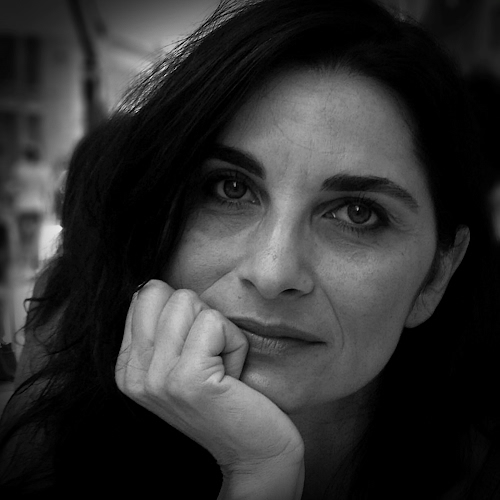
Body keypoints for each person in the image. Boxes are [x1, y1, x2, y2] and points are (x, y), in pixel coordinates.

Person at [1, 0, 499, 498]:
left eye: (357, 213)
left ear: (437, 274)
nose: (272, 272)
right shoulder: (55, 444)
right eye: (230, 189)